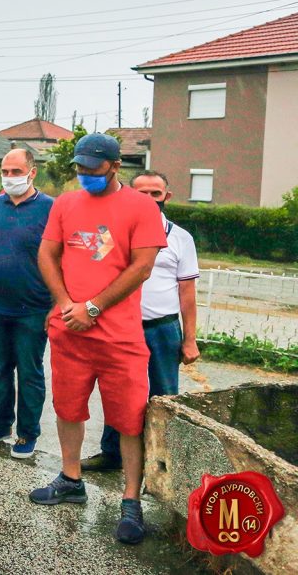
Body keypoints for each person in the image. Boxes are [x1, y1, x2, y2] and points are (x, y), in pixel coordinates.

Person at [30, 133, 166, 546]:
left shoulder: (141, 207)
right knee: (68, 408)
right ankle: (71, 479)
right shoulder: (66, 204)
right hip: (69, 331)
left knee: (128, 419)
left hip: (118, 337)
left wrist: (92, 307)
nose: (85, 174)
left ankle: (130, 500)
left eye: (93, 167)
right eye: (80, 167)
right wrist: (66, 303)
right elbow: (47, 255)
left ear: (114, 166)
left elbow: (142, 267)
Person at [82, 170, 200, 472]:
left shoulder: (180, 238)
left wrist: (189, 339)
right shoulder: (109, 233)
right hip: (119, 327)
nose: (148, 200)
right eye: (141, 193)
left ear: (166, 197)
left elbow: (187, 292)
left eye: (155, 194)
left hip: (160, 329)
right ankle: (112, 454)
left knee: (162, 397)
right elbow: (92, 273)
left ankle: (160, 464)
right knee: (115, 392)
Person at [0, 149, 53, 459]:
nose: (9, 177)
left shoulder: (49, 208)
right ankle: (0, 424)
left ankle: (27, 432)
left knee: (29, 372)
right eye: (5, 171)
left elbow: (62, 257)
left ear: (32, 172)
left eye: (16, 171)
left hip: (34, 308)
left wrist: (57, 303)